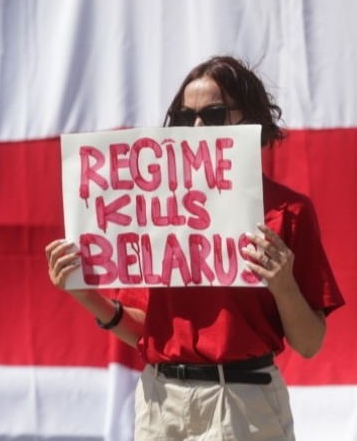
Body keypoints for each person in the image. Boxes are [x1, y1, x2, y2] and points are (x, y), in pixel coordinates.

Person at [45, 55, 345, 440]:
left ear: (252, 119)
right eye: (185, 117)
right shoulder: (157, 210)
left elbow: (309, 344)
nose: (197, 128)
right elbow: (146, 331)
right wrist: (86, 295)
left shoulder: (289, 211)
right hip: (161, 403)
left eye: (214, 114)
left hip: (244, 404)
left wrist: (284, 286)